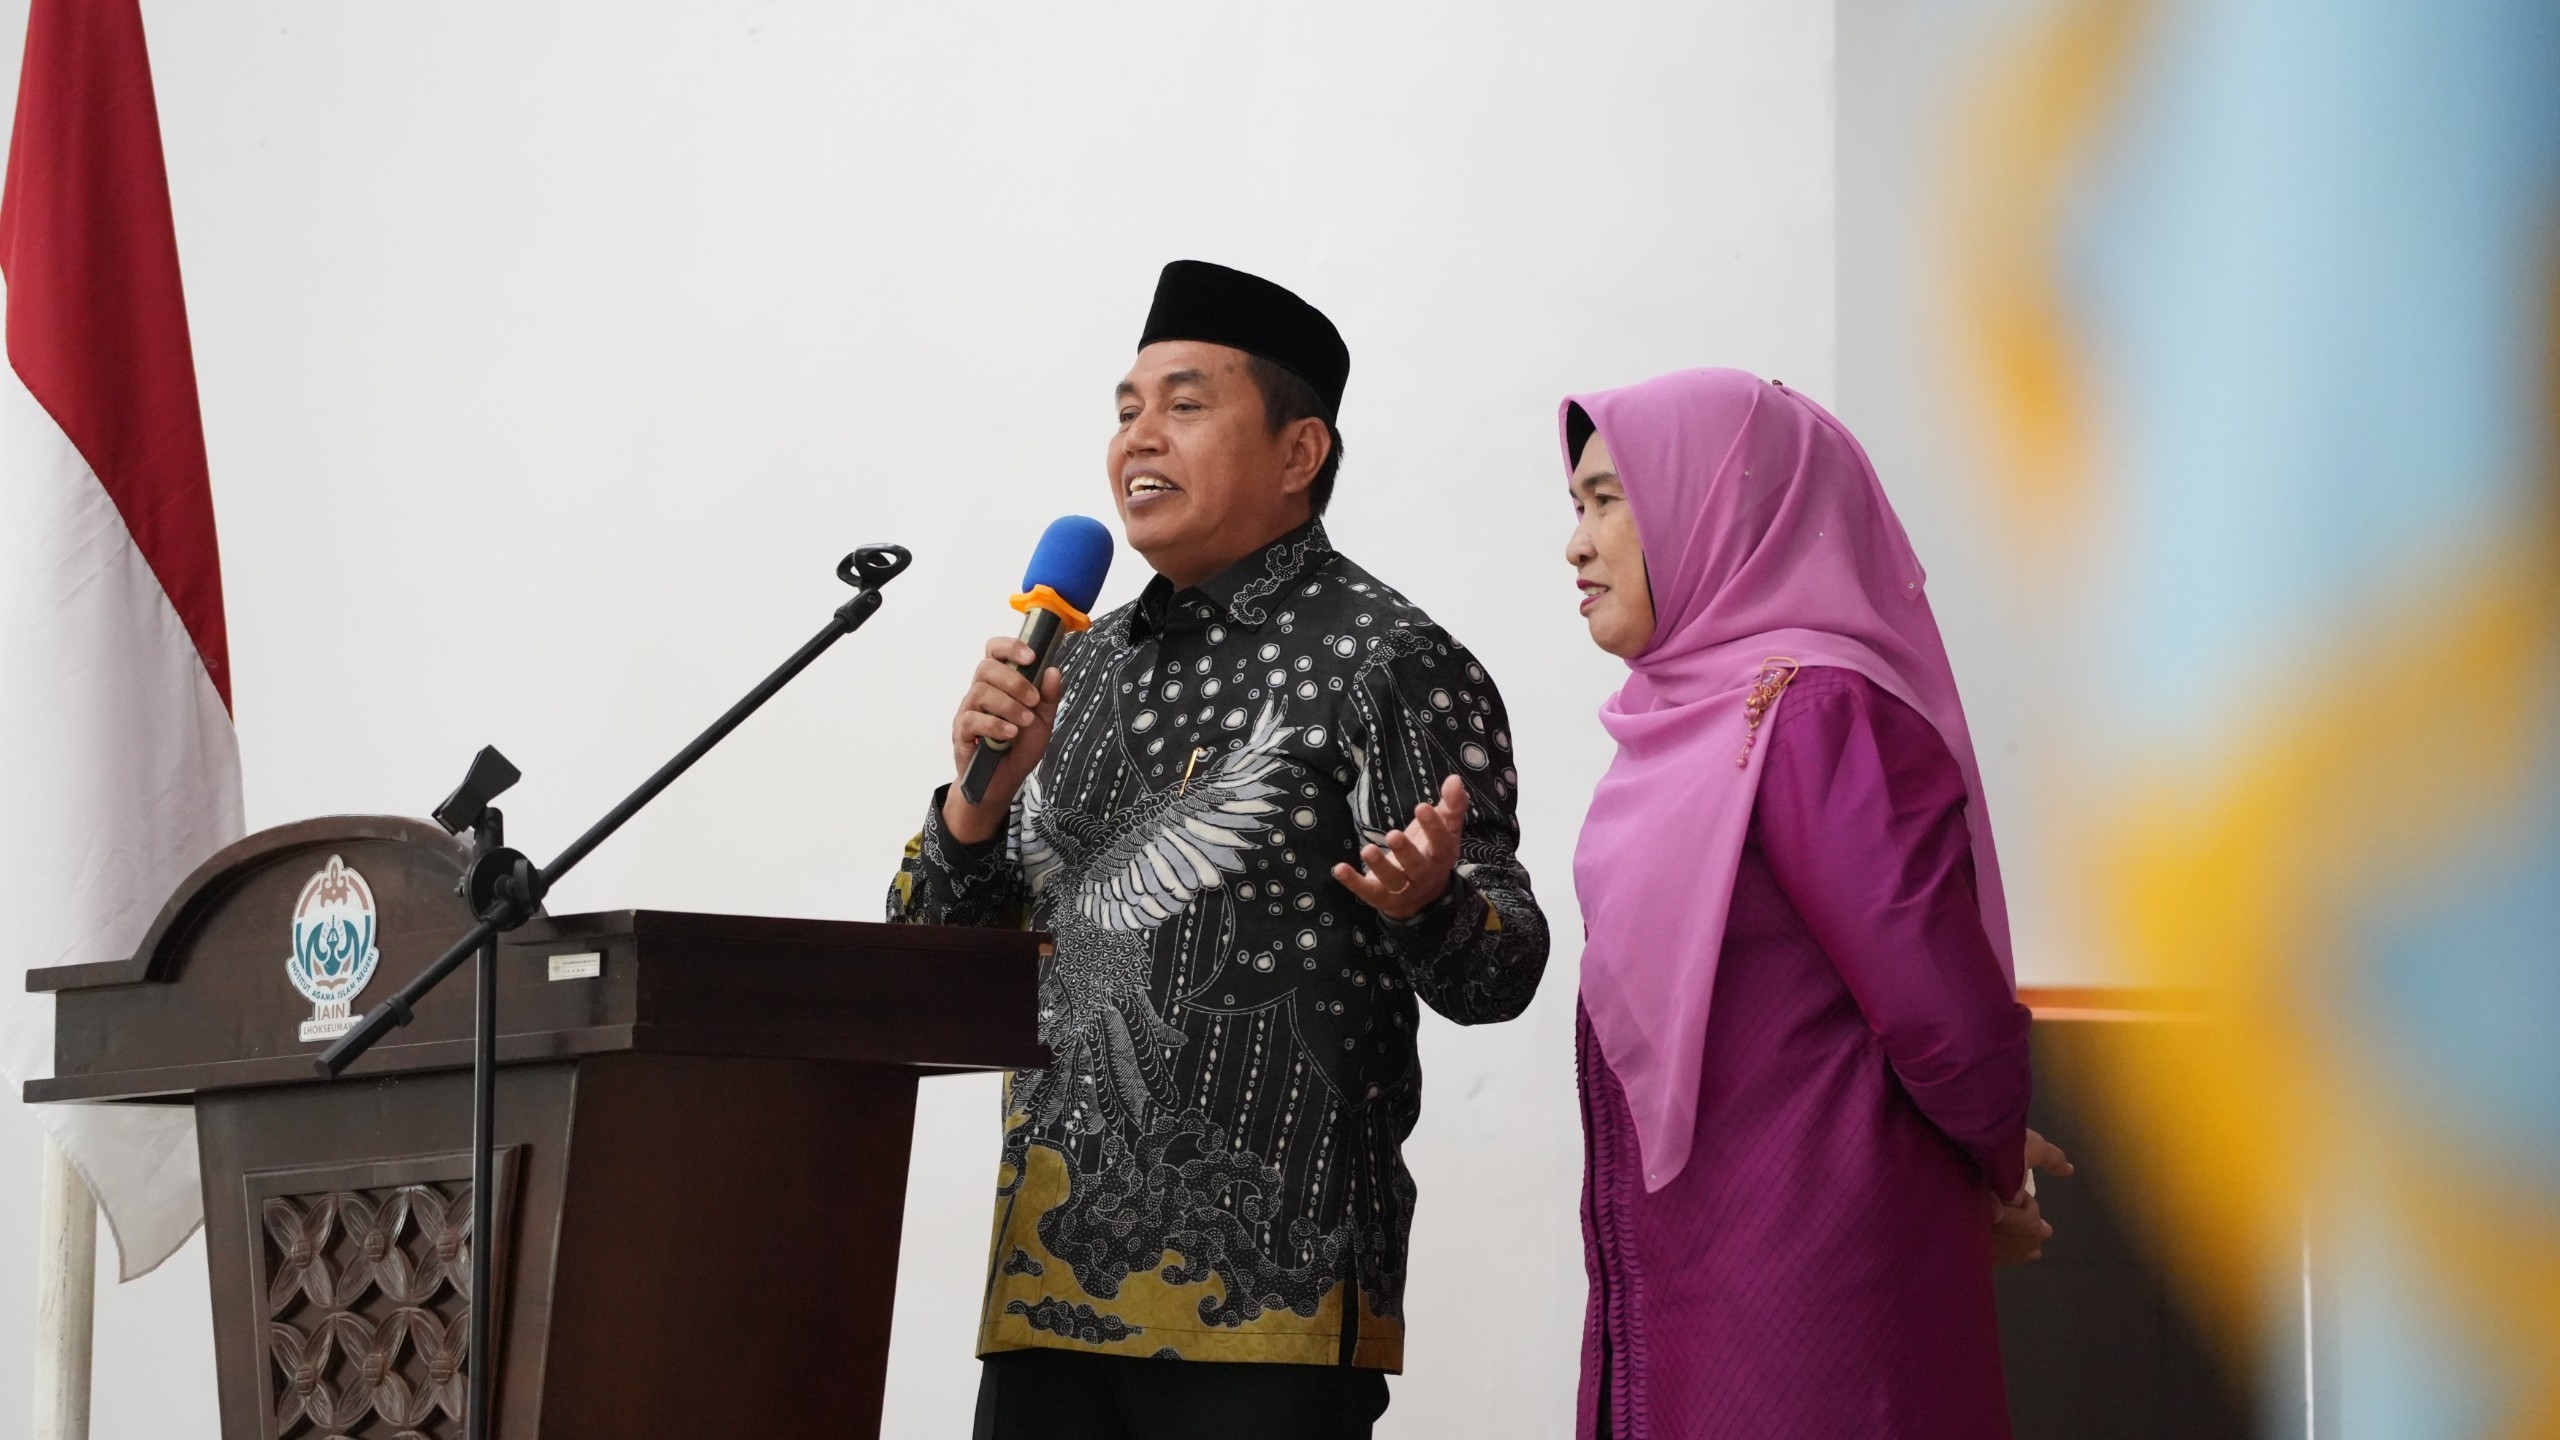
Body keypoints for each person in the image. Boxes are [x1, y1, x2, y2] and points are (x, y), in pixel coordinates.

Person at [890, 260, 1550, 1440]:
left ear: (1300, 452)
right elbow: (922, 972)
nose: (1138, 436)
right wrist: (974, 807)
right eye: (1126, 409)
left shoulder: (1387, 659)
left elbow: (1500, 971)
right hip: (1047, 1296)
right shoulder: (1071, 667)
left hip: (1266, 1307)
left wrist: (1426, 900)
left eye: (1184, 404)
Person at [1561, 368, 2071, 1439]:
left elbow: (1940, 1007)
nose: (1576, 544)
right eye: (1577, 504)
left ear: (1719, 508)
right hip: (1682, 1275)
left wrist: (1990, 1162)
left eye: (1608, 501)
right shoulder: (1685, 720)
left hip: (1812, 1298)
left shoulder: (1813, 714)